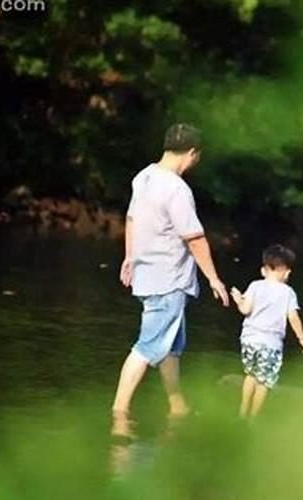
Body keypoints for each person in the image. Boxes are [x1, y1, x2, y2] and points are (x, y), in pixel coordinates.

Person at [112, 123, 229, 435]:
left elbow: (132, 218)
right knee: (148, 347)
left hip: (148, 274)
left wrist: (129, 255)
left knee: (171, 346)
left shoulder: (144, 176)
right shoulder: (177, 189)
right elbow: (195, 238)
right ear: (191, 154)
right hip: (169, 279)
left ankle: (177, 405)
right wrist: (214, 279)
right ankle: (119, 413)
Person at [230, 244, 303, 418]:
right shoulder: (288, 293)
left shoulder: (255, 286)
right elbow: (293, 318)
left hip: (249, 340)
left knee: (250, 375)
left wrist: (238, 300)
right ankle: (253, 418)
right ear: (287, 272)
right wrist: (302, 338)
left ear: (263, 270)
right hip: (270, 344)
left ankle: (242, 412)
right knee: (264, 382)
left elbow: (245, 310)